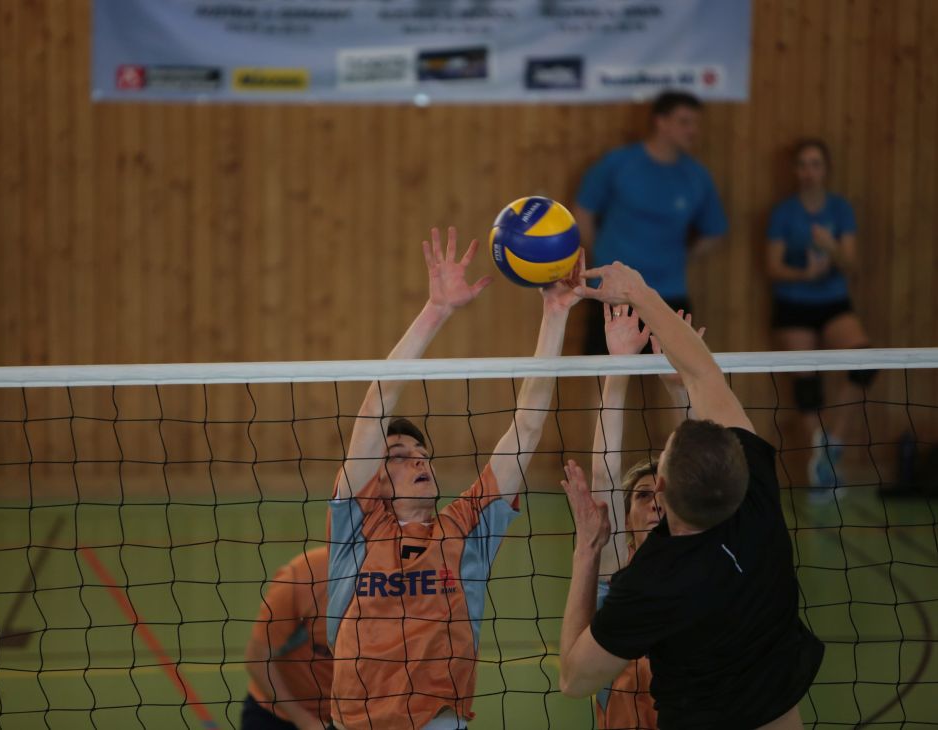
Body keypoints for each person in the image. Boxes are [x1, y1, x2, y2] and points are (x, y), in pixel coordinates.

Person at [326, 227, 582, 730]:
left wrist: (555, 314)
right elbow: (376, 405)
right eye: (400, 456)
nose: (419, 462)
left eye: (423, 455)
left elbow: (527, 427)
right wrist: (436, 310)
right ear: (375, 480)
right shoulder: (358, 523)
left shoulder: (467, 526)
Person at [558, 262, 825, 729]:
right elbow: (705, 375)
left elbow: (574, 679)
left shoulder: (648, 582)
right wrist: (642, 298)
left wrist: (586, 551)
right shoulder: (756, 500)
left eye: (653, 484)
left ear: (663, 494)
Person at [591, 304, 702, 730]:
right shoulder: (615, 569)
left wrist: (680, 387)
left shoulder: (700, 560)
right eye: (642, 495)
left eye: (663, 494)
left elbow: (698, 464)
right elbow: (604, 472)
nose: (655, 502)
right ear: (625, 516)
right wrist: (619, 367)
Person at [572, 90, 727, 355]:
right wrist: (602, 257)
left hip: (668, 293)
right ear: (661, 122)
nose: (693, 130)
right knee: (602, 371)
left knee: (676, 371)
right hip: (613, 292)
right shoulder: (619, 163)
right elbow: (583, 212)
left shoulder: (696, 176)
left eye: (696, 123)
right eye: (684, 122)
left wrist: (681, 256)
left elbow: (715, 231)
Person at [765, 139, 874, 491]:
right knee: (807, 384)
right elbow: (773, 267)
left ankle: (833, 442)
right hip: (793, 304)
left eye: (815, 164)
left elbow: (852, 265)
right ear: (795, 170)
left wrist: (831, 247)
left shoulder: (840, 209)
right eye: (803, 164)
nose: (809, 172)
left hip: (833, 302)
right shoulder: (784, 212)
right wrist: (805, 274)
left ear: (826, 169)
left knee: (864, 363)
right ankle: (819, 458)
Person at [244, 546, 334, 730]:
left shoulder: (391, 578)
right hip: (277, 716)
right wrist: (306, 722)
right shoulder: (302, 577)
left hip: (351, 717)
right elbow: (257, 659)